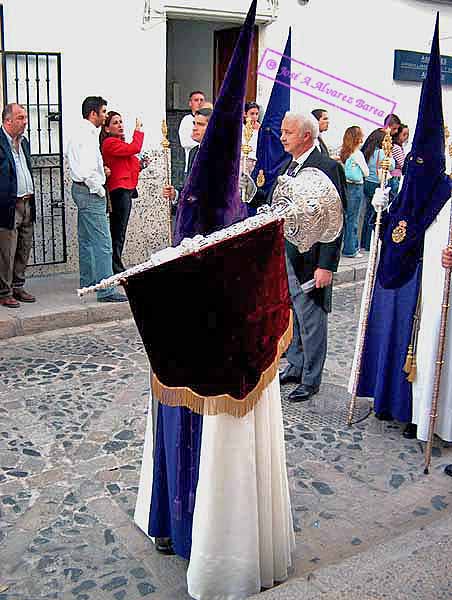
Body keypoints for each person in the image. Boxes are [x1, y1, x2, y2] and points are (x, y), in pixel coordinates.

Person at [277, 112, 347, 402]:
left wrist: (326, 266)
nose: (282, 136)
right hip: (287, 254)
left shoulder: (328, 167)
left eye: (288, 132)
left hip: (312, 259)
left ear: (306, 136)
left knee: (312, 317)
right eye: (282, 131)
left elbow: (336, 219)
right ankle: (295, 364)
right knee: (294, 314)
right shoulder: (289, 166)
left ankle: (311, 377)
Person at [66, 96, 127, 302]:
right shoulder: (87, 134)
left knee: (86, 240)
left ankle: (89, 282)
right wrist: (99, 189)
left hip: (81, 189)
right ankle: (106, 289)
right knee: (103, 242)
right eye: (103, 112)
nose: (105, 116)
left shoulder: (81, 132)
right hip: (89, 191)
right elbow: (86, 170)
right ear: (93, 114)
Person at [0, 103, 36, 308]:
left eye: (25, 117)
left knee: (24, 246)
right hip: (8, 204)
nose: (25, 122)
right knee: (7, 250)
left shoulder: (24, 143)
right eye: (21, 118)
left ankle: (18, 285)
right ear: (8, 121)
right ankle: (4, 291)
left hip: (27, 201)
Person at [100, 112, 144, 274]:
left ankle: (116, 264)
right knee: (118, 231)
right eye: (115, 123)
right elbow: (135, 148)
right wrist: (138, 130)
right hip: (119, 191)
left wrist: (141, 165)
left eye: (121, 122)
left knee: (119, 230)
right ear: (107, 128)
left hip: (126, 190)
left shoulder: (118, 143)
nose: (120, 125)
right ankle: (115, 266)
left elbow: (130, 162)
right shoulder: (110, 142)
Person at [163, 107, 212, 205]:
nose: (194, 128)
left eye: (201, 124)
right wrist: (175, 194)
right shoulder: (194, 151)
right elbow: (189, 188)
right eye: (194, 123)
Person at [360, 129, 395, 251]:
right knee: (375, 214)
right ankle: (370, 243)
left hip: (367, 182)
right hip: (377, 184)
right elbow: (392, 166)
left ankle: (363, 241)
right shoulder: (382, 153)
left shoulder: (367, 151)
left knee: (367, 214)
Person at [339, 126, 368, 258]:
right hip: (356, 187)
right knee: (353, 219)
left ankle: (346, 246)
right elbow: (366, 172)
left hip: (347, 186)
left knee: (347, 217)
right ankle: (351, 249)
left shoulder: (346, 153)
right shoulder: (358, 154)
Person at [178, 90, 205, 174]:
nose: (199, 103)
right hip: (191, 166)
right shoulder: (186, 120)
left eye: (201, 100)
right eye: (196, 100)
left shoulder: (209, 119)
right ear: (190, 103)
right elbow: (185, 142)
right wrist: (203, 143)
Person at [389, 124, 409, 199]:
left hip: (395, 176)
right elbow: (403, 164)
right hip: (394, 177)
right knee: (392, 197)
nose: (406, 137)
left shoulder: (397, 146)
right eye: (404, 134)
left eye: (407, 134)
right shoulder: (396, 148)